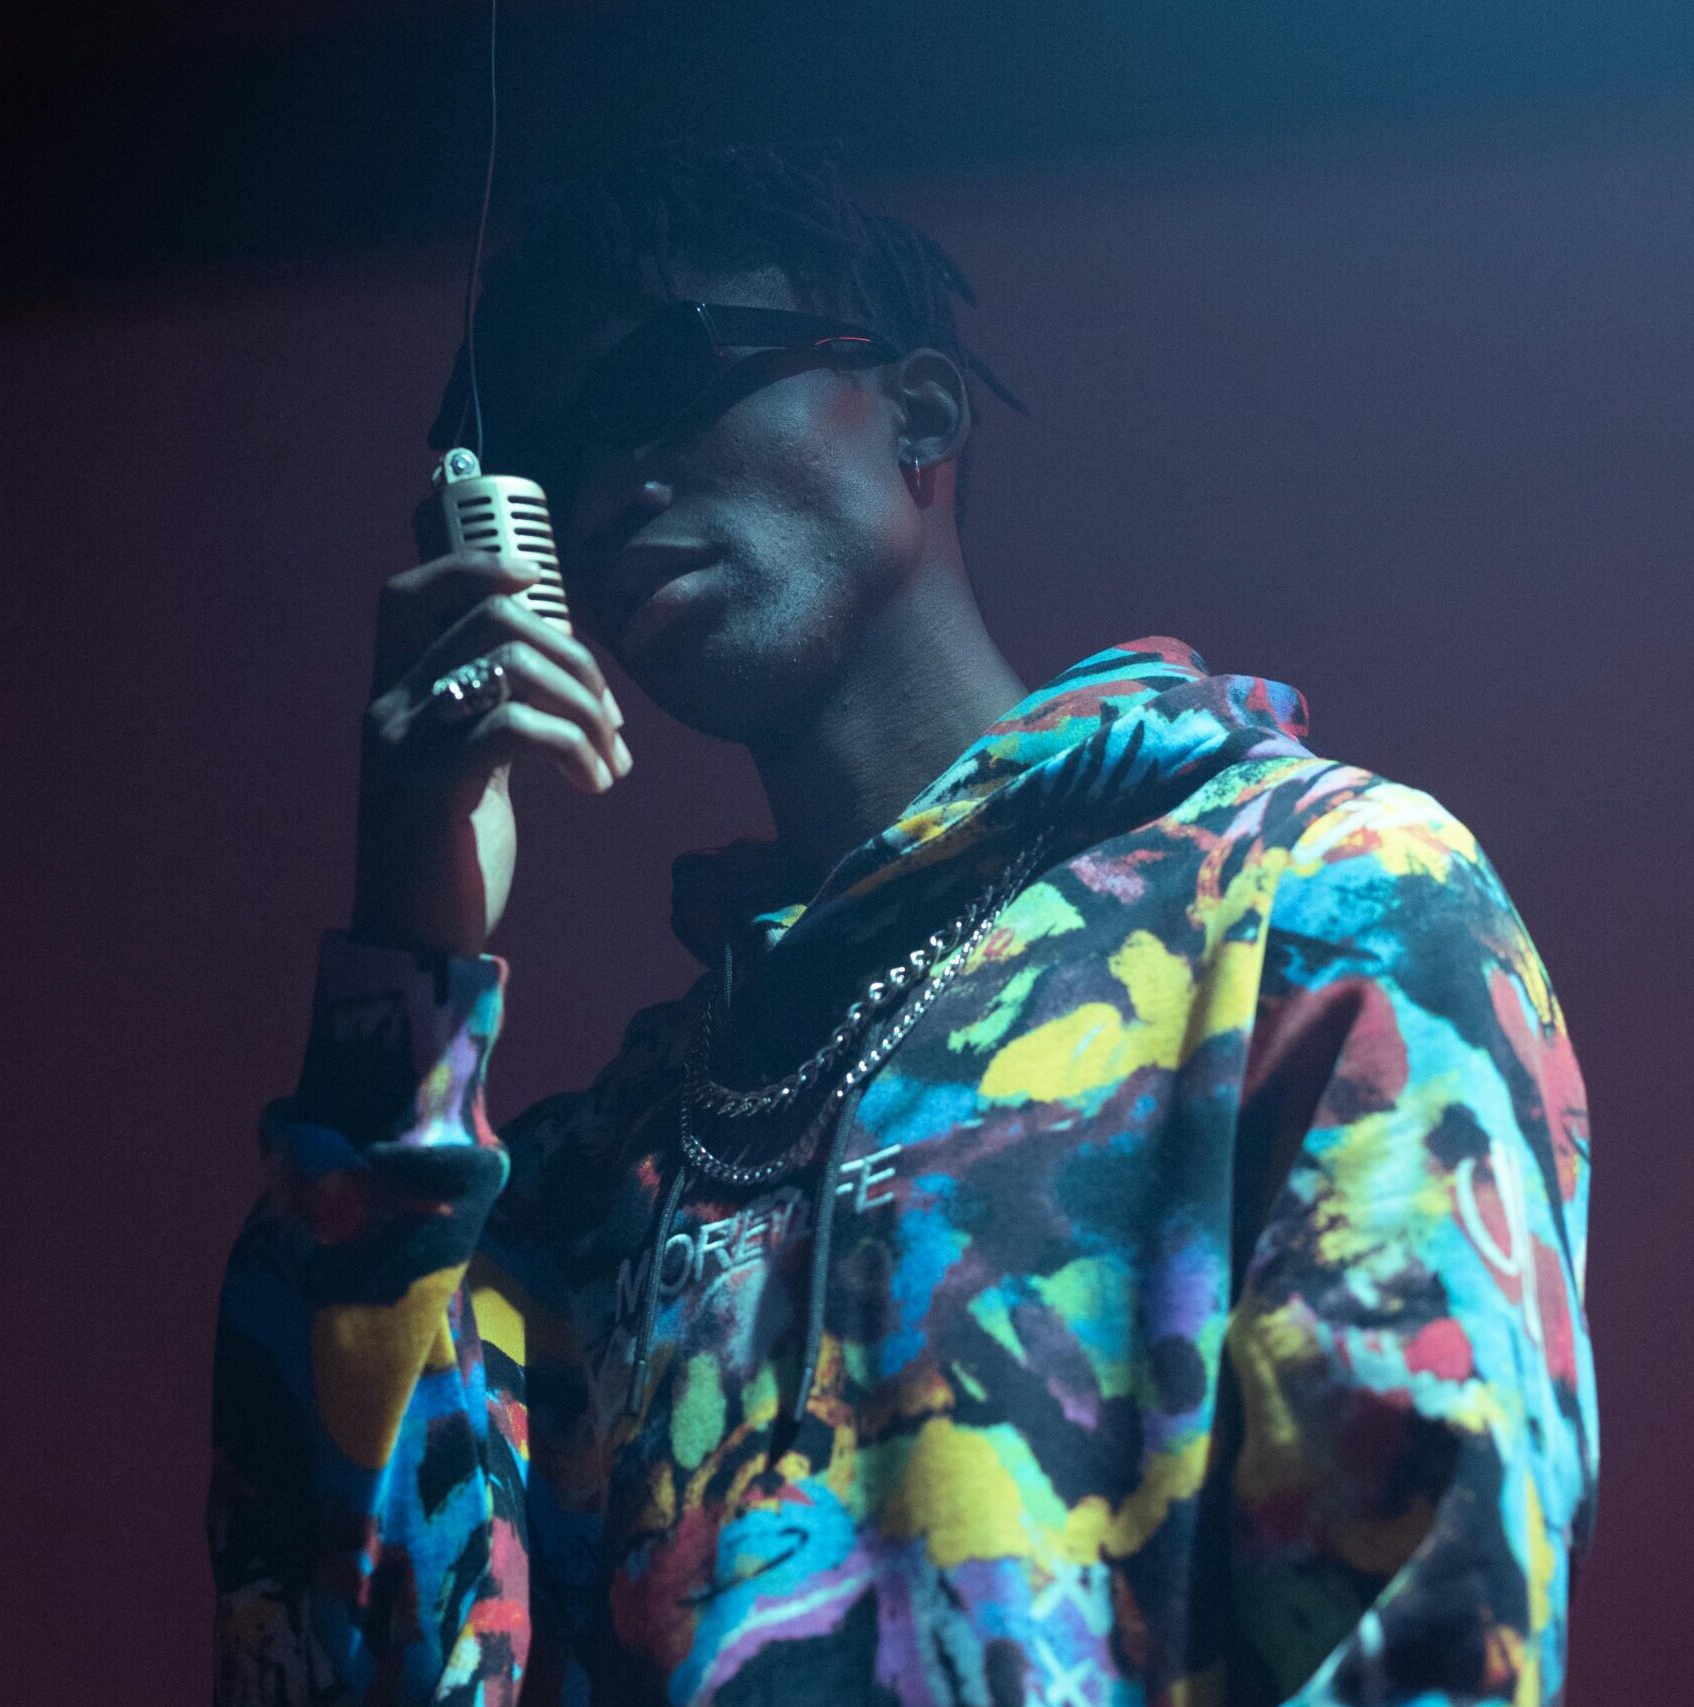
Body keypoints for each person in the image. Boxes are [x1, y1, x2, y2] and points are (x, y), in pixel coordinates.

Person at [208, 139, 1598, 1706]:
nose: (607, 490)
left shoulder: (1313, 893)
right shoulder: (593, 1179)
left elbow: (1427, 1614)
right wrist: (406, 960)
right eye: (550, 454)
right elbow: (330, 1655)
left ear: (919, 413)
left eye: (671, 377)